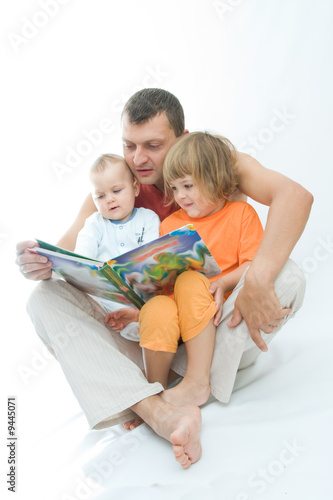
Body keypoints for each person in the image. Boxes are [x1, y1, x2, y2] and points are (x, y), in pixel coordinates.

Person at [16, 88, 312, 469]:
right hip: (151, 335)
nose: (138, 159)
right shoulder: (118, 187)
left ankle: (173, 385)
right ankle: (159, 410)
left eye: (153, 145)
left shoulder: (213, 161)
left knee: (288, 275)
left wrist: (256, 278)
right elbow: (67, 254)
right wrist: (39, 264)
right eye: (129, 145)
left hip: (220, 327)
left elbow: (295, 196)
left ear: (182, 138)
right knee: (44, 298)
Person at [110, 132, 264, 408]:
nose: (180, 196)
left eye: (188, 186)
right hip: (182, 320)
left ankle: (196, 382)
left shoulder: (241, 214)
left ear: (215, 178)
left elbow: (255, 263)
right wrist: (139, 311)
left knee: (194, 280)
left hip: (220, 313)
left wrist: (223, 283)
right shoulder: (171, 225)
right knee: (157, 307)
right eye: (174, 188)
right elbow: (165, 285)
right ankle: (154, 395)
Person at [74, 153, 160, 340]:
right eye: (100, 196)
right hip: (106, 296)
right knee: (89, 298)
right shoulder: (94, 223)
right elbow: (82, 255)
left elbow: (151, 255)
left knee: (155, 304)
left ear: (135, 188)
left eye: (116, 191)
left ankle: (139, 323)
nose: (110, 200)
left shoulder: (148, 218)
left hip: (141, 293)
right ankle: (119, 324)